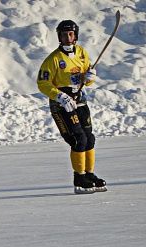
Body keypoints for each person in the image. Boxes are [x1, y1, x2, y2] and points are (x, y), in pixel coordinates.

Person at [37, 20, 108, 194]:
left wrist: (90, 77)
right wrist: (60, 96)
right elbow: (42, 83)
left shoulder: (82, 52)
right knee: (78, 139)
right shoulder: (53, 59)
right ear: (59, 37)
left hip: (80, 99)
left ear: (76, 35)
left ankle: (89, 175)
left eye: (70, 34)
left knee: (89, 138)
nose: (68, 38)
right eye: (64, 34)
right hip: (62, 104)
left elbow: (86, 79)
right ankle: (79, 177)